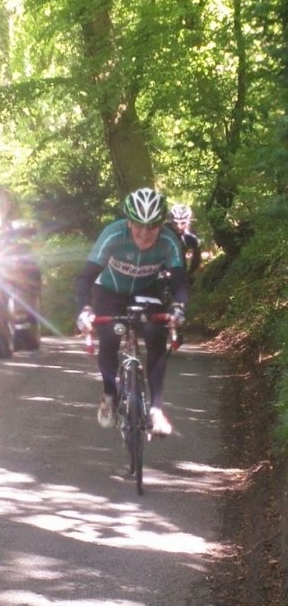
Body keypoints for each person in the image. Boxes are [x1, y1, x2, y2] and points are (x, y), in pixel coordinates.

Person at [75, 187, 189, 436]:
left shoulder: (168, 241)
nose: (145, 233)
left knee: (155, 333)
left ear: (162, 224)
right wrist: (84, 309)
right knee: (108, 337)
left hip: (147, 291)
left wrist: (179, 307)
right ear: (129, 221)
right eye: (139, 225)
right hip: (109, 291)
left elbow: (179, 281)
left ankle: (156, 409)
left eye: (152, 226)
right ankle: (109, 395)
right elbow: (85, 277)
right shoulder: (113, 235)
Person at [166, 203, 201, 283]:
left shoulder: (191, 235)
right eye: (175, 223)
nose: (178, 226)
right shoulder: (164, 230)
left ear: (188, 222)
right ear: (170, 221)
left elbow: (197, 257)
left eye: (183, 223)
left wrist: (190, 273)